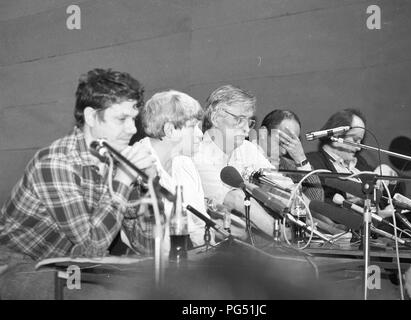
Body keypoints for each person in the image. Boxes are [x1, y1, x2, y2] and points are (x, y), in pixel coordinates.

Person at [0, 68, 156, 299]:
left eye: (133, 119)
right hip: (14, 265)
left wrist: (148, 187)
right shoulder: (56, 162)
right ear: (92, 116)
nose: (132, 129)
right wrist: (123, 179)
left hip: (65, 265)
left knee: (157, 289)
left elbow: (146, 246)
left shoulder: (115, 160)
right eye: (122, 119)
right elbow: (90, 249)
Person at [194, 85, 291, 238]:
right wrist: (283, 234)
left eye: (249, 121)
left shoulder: (247, 148)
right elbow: (235, 199)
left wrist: (324, 230)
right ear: (216, 118)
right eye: (239, 120)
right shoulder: (199, 155)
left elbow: (281, 186)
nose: (247, 129)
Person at [139, 90, 213, 248]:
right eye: (193, 127)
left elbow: (202, 225)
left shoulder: (186, 164)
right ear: (170, 130)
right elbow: (149, 243)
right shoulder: (137, 166)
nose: (201, 134)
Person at [260, 109, 346, 234]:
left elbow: (315, 203)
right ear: (263, 133)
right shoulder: (246, 157)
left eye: (290, 143)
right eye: (281, 142)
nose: (284, 151)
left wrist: (301, 159)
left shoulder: (287, 164)